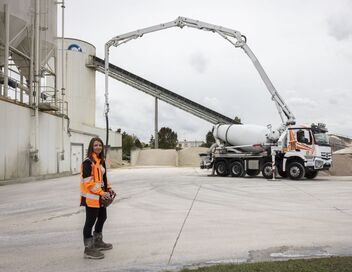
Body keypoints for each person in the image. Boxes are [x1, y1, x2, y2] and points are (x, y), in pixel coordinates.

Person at [80, 137, 116, 259]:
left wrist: (109, 188)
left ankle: (98, 242)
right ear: (91, 147)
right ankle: (88, 249)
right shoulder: (87, 162)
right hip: (91, 197)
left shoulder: (100, 161)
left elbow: (103, 179)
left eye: (100, 145)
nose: (98, 147)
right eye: (95, 145)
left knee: (102, 217)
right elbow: (88, 182)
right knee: (90, 222)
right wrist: (101, 192)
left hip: (100, 196)